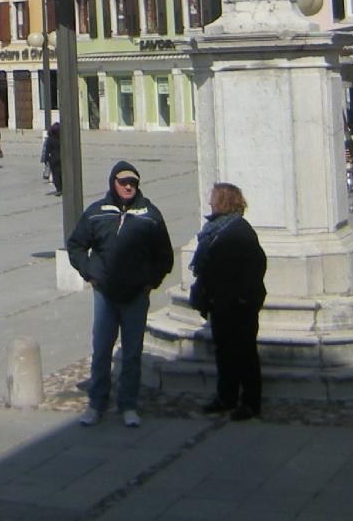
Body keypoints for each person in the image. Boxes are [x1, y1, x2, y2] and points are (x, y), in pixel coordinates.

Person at [67, 160, 173, 428]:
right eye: (123, 182)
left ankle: (128, 404)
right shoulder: (97, 212)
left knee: (132, 351)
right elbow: (76, 245)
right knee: (101, 349)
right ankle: (97, 403)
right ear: (113, 183)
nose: (128, 186)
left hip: (136, 293)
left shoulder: (150, 214)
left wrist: (151, 281)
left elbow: (164, 255)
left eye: (132, 182)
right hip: (105, 293)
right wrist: (90, 272)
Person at [189, 182, 267, 421]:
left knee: (244, 354)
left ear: (224, 201)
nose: (210, 201)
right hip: (220, 304)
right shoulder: (215, 228)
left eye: (214, 198)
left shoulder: (239, 231)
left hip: (238, 307)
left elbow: (256, 266)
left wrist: (243, 299)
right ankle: (226, 396)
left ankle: (250, 402)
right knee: (224, 353)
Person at [42, 118, 63, 196]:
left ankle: (59, 189)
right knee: (61, 173)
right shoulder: (61, 138)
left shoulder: (50, 139)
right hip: (62, 158)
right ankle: (63, 187)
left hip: (54, 159)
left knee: (56, 175)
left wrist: (46, 160)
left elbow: (47, 150)